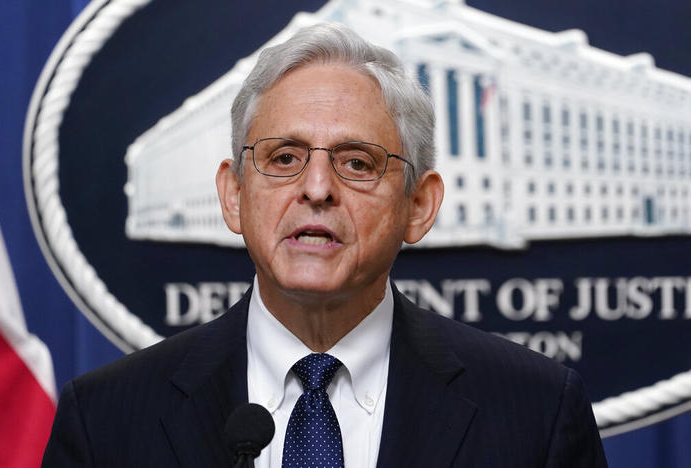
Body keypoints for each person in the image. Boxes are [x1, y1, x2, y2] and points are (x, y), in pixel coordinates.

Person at [42, 23, 608, 467]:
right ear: (234, 195)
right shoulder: (106, 421)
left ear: (419, 206)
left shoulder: (536, 411)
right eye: (284, 158)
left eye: (357, 163)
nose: (316, 190)